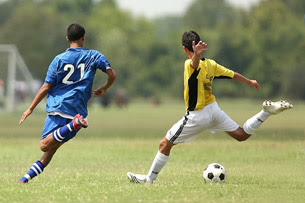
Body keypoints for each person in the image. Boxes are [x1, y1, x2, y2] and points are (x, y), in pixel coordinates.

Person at [127, 30, 292, 184]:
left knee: (165, 144)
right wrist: (249, 81)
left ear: (185, 48)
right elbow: (231, 74)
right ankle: (265, 112)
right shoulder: (211, 64)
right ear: (198, 45)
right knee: (241, 135)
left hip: (197, 115)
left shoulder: (188, 64)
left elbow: (193, 64)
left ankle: (150, 179)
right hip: (214, 109)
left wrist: (195, 56)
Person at [18, 23, 116, 183]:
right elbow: (112, 74)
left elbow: (46, 87)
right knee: (50, 150)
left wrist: (30, 108)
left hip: (59, 107)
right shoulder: (94, 56)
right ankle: (25, 179)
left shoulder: (58, 60)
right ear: (83, 38)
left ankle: (73, 124)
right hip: (78, 109)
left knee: (44, 145)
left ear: (67, 39)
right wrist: (104, 88)